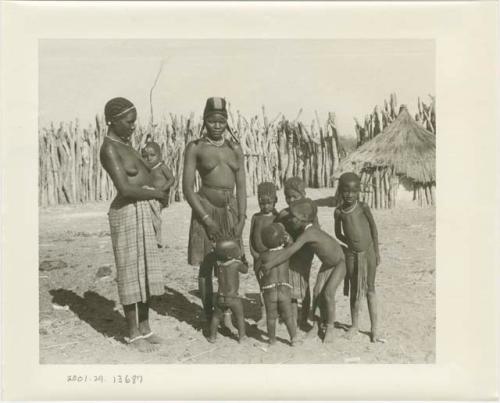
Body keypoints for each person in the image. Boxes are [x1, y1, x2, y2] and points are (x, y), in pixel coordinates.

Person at [99, 97, 168, 352]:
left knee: (147, 270)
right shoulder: (109, 148)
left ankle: (146, 327)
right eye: (128, 122)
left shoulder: (126, 145)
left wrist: (158, 191)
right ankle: (132, 333)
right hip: (127, 212)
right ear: (113, 120)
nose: (133, 127)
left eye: (134, 122)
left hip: (144, 207)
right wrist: (156, 194)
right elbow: (126, 189)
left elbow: (147, 175)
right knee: (130, 271)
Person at [182, 97, 247, 328]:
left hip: (230, 210)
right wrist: (206, 219)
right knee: (207, 264)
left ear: (227, 122)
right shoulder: (195, 148)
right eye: (212, 121)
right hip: (205, 208)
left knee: (229, 262)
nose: (217, 126)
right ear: (205, 121)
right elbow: (187, 188)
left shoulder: (235, 149)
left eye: (221, 121)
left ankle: (226, 315)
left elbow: (242, 187)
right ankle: (209, 314)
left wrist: (241, 219)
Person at [263, 198, 346, 344]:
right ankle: (316, 325)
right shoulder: (308, 229)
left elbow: (290, 251)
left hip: (340, 263)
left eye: (293, 217)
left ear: (303, 219)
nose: (291, 220)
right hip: (327, 264)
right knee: (316, 293)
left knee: (328, 293)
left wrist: (270, 264)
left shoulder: (309, 233)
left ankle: (330, 327)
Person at [334, 172, 382, 343]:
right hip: (352, 256)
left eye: (354, 191)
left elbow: (374, 230)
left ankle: (374, 328)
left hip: (368, 253)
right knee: (355, 290)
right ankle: (354, 325)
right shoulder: (339, 212)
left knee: (369, 289)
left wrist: (376, 251)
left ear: (359, 191)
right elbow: (338, 233)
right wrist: (350, 243)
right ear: (340, 191)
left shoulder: (363, 207)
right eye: (346, 191)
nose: (349, 195)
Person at [275, 177, 317, 328]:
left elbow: (315, 232)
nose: (291, 200)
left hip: (304, 255)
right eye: (288, 196)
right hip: (289, 255)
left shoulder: (309, 211)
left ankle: (304, 319)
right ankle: (292, 319)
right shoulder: (284, 214)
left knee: (304, 288)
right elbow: (276, 229)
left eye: (295, 196)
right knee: (290, 288)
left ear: (303, 195)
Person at [257, 223, 299, 346]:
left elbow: (258, 269)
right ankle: (294, 339)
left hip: (269, 289)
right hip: (284, 288)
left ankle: (272, 340)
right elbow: (292, 244)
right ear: (281, 239)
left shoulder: (263, 255)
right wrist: (287, 237)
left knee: (271, 317)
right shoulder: (285, 253)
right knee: (288, 316)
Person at [249, 182, 279, 326]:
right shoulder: (255, 217)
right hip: (258, 258)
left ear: (275, 201)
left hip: (273, 258)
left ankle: (274, 314)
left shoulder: (277, 217)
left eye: (269, 203)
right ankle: (264, 314)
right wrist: (254, 254)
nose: (265, 206)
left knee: (273, 286)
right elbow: (250, 238)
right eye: (262, 203)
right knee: (262, 287)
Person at [208, 238, 248, 343]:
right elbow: (245, 270)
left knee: (216, 317)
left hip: (220, 297)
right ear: (230, 255)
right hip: (233, 297)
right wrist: (244, 260)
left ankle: (212, 337)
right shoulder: (236, 264)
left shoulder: (218, 265)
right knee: (240, 317)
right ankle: (242, 337)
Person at [141, 141, 175, 247]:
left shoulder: (162, 167)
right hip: (152, 196)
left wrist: (162, 189)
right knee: (150, 216)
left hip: (161, 197)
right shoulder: (147, 169)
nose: (149, 158)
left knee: (155, 216)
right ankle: (152, 238)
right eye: (145, 156)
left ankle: (157, 239)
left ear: (159, 156)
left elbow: (171, 179)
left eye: (152, 155)